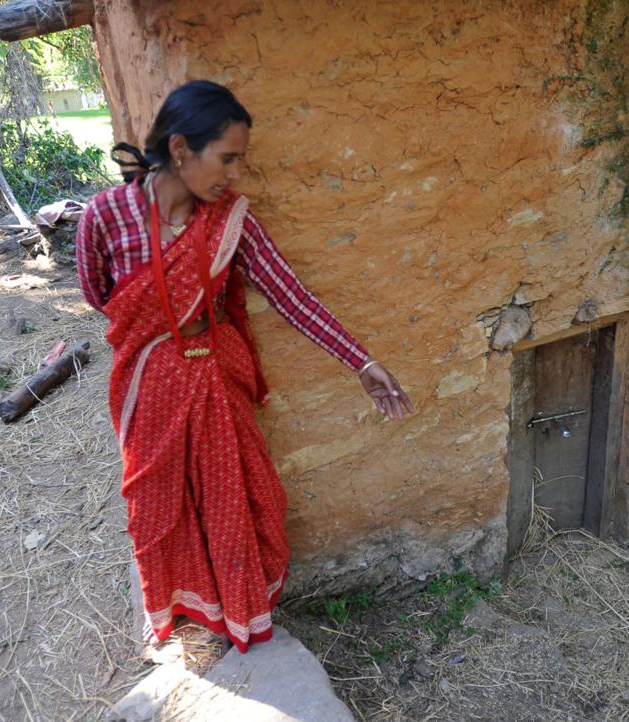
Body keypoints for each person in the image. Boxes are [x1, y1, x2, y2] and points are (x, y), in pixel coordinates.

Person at [75, 80, 413, 654]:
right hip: (149, 383)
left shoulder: (232, 220)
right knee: (157, 501)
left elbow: (291, 296)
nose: (234, 174)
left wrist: (362, 361)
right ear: (181, 149)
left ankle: (238, 612)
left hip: (215, 372)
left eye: (240, 161)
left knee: (234, 498)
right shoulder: (105, 217)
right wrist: (156, 335)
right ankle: (181, 610)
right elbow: (99, 294)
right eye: (227, 158)